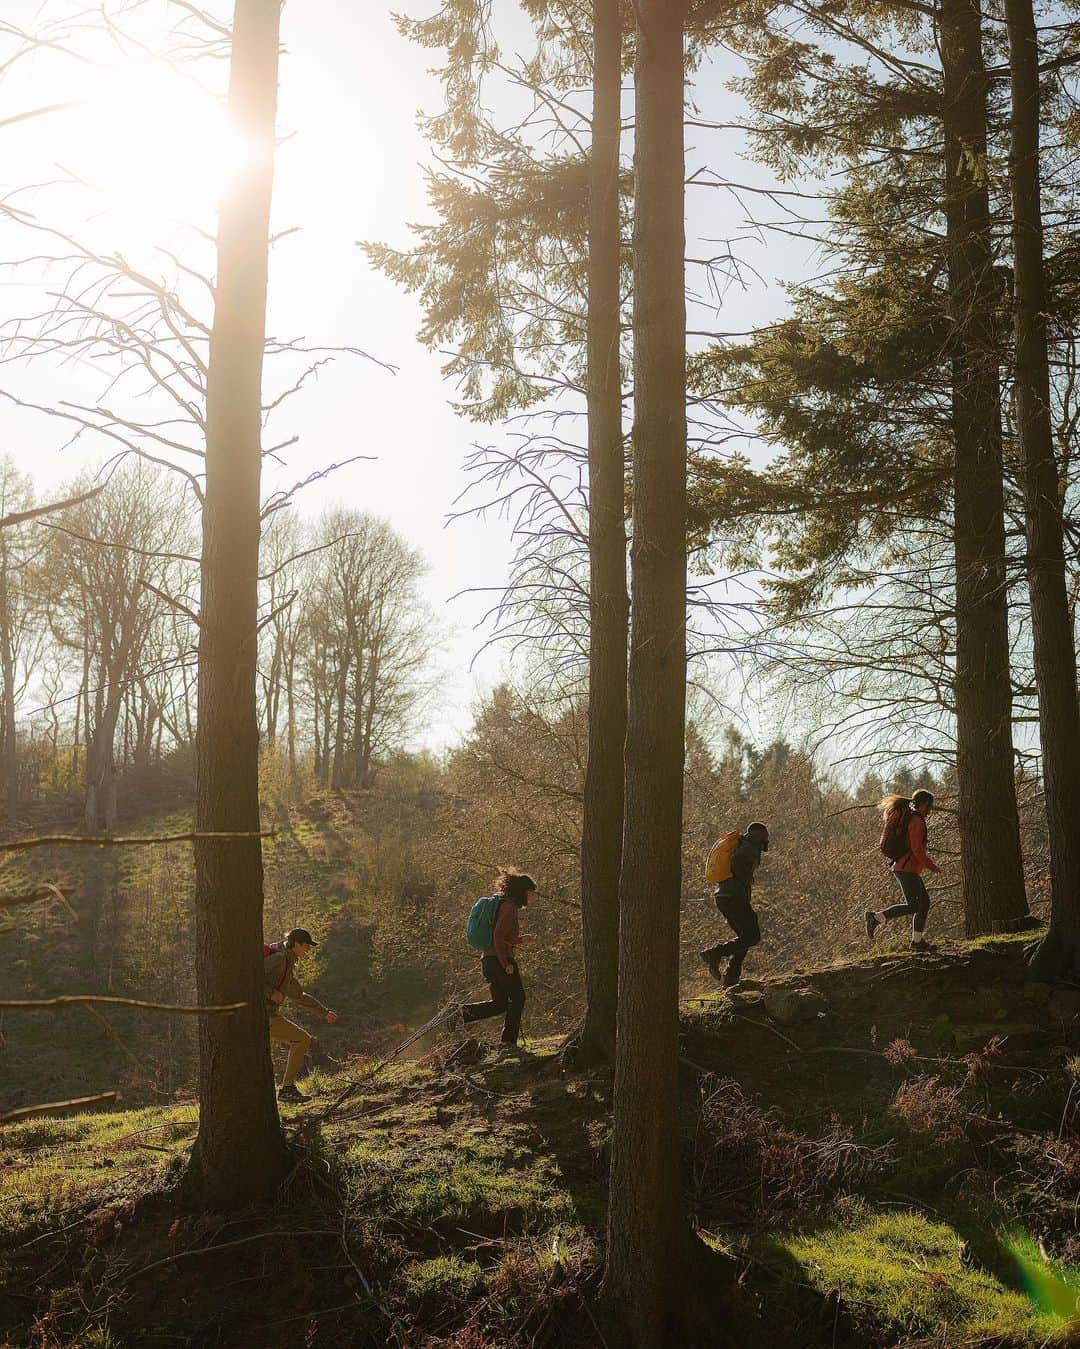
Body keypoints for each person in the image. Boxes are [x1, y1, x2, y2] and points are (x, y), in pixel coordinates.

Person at [461, 868, 536, 1051]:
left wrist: (519, 940)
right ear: (522, 892)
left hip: (488, 961)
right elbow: (497, 936)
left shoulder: (502, 904)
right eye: (530, 893)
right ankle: (508, 1043)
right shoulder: (509, 907)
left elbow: (501, 936)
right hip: (499, 961)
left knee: (500, 1004)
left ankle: (460, 1013)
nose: (532, 898)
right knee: (518, 998)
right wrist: (506, 964)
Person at [265, 927, 338, 1104]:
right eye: (306, 946)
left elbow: (298, 995)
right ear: (296, 944)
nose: (308, 950)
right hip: (264, 1016)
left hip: (266, 1014)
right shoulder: (280, 959)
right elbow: (250, 976)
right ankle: (287, 1089)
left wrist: (324, 1013)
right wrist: (270, 992)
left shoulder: (286, 962)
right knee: (301, 1039)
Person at [866, 789, 940, 952]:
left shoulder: (912, 818)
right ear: (925, 804)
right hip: (906, 868)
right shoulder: (917, 821)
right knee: (914, 905)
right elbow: (916, 850)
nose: (931, 810)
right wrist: (932, 866)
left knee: (923, 904)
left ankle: (917, 942)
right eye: (930, 806)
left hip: (906, 868)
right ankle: (875, 918)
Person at [700, 822, 770, 988]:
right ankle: (715, 953)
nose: (768, 839)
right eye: (766, 835)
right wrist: (744, 881)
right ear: (759, 834)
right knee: (752, 936)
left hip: (723, 896)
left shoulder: (742, 844)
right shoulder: (750, 846)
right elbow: (738, 862)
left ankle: (731, 978)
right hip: (734, 896)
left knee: (744, 937)